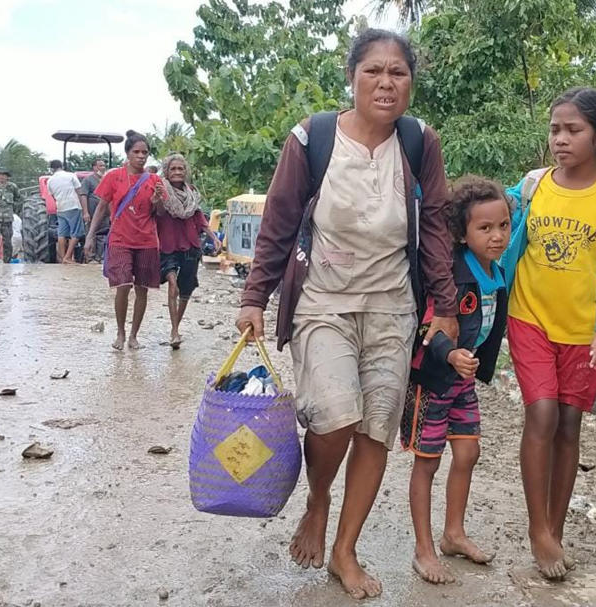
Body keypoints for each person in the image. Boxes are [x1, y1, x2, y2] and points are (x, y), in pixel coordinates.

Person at [236, 29, 458, 600]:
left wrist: (446, 306)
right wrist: (253, 299)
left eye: (399, 73)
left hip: (392, 305)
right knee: (335, 417)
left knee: (376, 429)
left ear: (411, 81)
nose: (386, 83)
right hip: (323, 301)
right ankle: (317, 499)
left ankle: (345, 548)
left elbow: (433, 226)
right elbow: (279, 222)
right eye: (373, 71)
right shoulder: (311, 138)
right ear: (352, 76)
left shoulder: (419, 143)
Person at [500, 87, 596, 579]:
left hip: (585, 334)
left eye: (572, 130)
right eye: (555, 129)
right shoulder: (532, 187)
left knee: (568, 425)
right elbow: (500, 239)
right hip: (529, 318)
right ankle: (537, 529)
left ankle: (555, 530)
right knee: (540, 412)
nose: (560, 139)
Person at [401, 176, 510, 584]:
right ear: (462, 233)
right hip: (430, 380)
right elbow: (428, 326)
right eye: (484, 228)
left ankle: (454, 534)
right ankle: (424, 549)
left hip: (461, 382)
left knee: (467, 454)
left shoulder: (496, 274)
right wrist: (451, 353)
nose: (496, 236)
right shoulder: (450, 274)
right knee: (427, 463)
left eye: (502, 226)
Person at [84, 130, 167, 350]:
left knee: (142, 289)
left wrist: (157, 200)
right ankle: (120, 333)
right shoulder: (113, 176)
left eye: (145, 153)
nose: (141, 156)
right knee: (122, 285)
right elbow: (101, 207)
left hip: (147, 241)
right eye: (136, 152)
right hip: (120, 239)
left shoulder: (155, 180)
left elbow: (160, 213)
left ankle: (133, 335)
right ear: (128, 153)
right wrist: (90, 235)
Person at [157, 153, 221, 348]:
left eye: (180, 169)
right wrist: (158, 198)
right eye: (173, 169)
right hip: (167, 245)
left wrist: (213, 237)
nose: (177, 172)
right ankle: (175, 331)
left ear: (186, 172)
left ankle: (175, 326)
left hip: (190, 245)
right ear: (166, 172)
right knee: (172, 284)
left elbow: (199, 218)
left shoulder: (192, 193)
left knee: (186, 289)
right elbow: (157, 213)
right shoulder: (161, 191)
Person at [48, 159, 87, 264]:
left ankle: (62, 258)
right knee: (76, 233)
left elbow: (53, 196)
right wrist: (84, 210)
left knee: (62, 234)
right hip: (73, 206)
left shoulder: (50, 180)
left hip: (60, 208)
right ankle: (68, 257)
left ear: (52, 169)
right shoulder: (70, 175)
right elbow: (79, 191)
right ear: (62, 166)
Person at [0, 167, 23, 263]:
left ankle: (7, 261)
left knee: (7, 241)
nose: (2, 177)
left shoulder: (12, 187)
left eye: (4, 175)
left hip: (8, 218)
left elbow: (19, 199)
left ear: (7, 177)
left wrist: (14, 210)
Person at [81, 158, 109, 262]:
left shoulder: (106, 179)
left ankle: (101, 257)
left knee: (102, 235)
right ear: (94, 167)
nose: (103, 168)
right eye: (100, 166)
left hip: (105, 213)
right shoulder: (88, 180)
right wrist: (85, 212)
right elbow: (83, 195)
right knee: (91, 233)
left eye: (103, 166)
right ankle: (90, 257)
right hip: (92, 212)